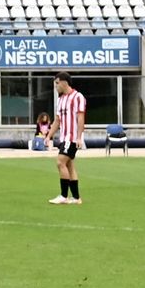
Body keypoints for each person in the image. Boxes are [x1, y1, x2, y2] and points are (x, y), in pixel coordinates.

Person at [47, 72, 87, 204]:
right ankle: (76, 198)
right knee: (69, 165)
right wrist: (49, 136)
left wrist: (79, 137)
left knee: (60, 162)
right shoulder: (60, 99)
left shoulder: (78, 97)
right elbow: (57, 120)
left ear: (64, 82)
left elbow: (81, 118)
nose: (56, 86)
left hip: (72, 138)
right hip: (64, 138)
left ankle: (64, 196)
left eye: (57, 83)